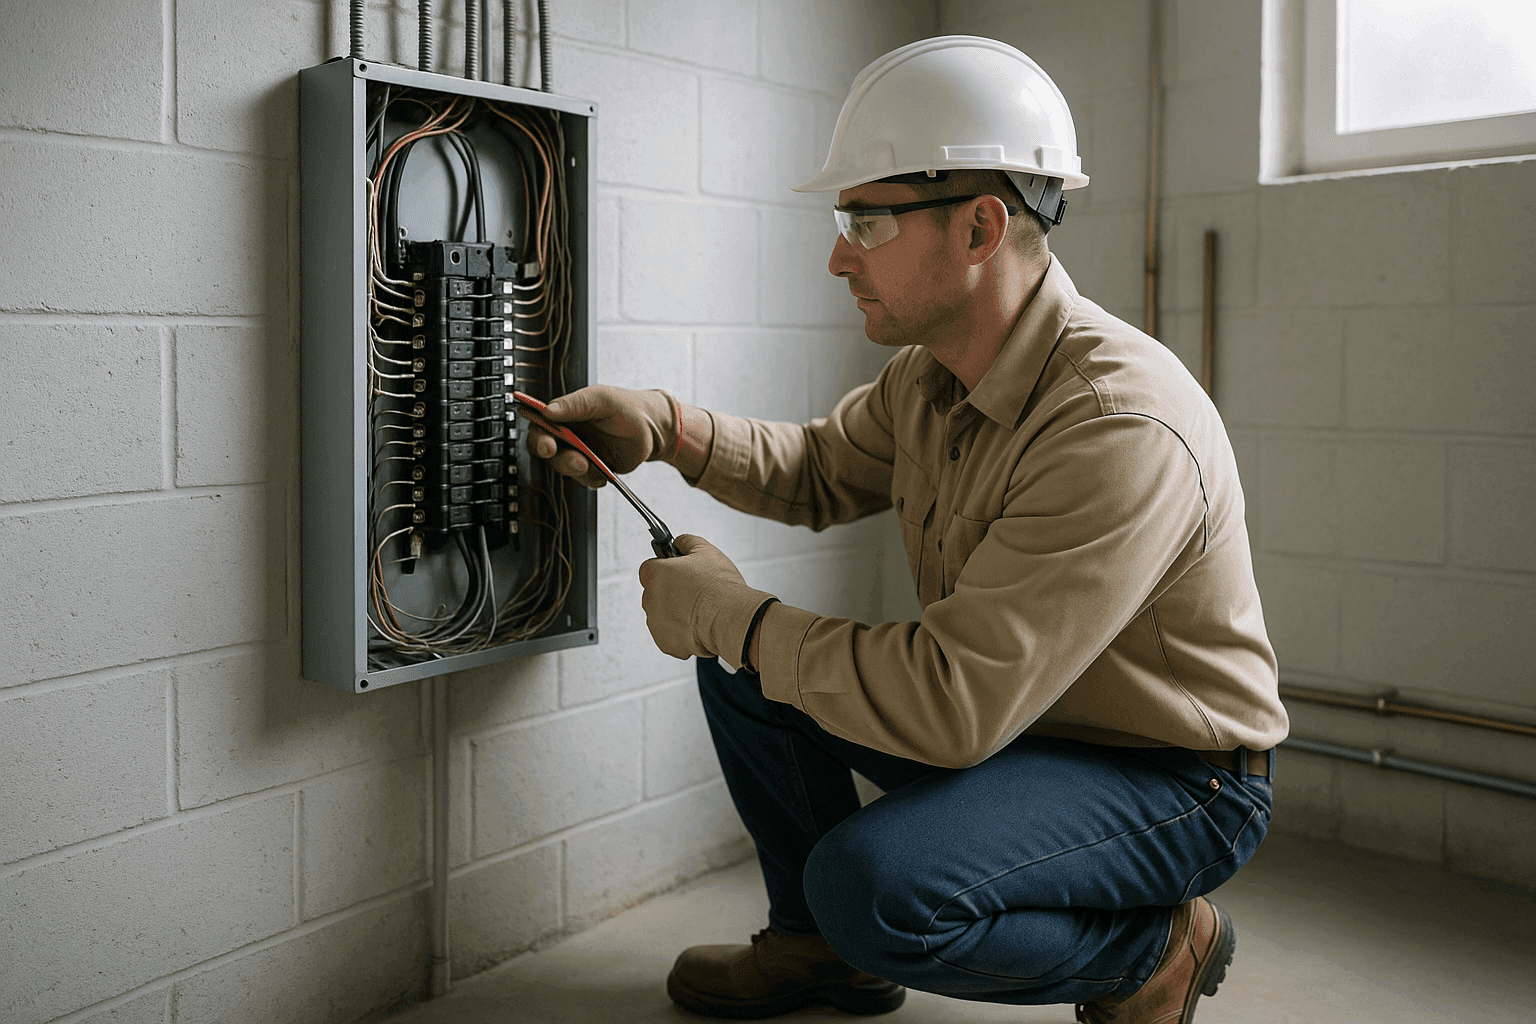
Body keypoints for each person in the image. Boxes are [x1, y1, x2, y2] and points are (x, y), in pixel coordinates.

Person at [527, 35, 1287, 1024]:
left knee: (874, 888)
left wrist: (735, 615)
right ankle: (817, 951)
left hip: (1171, 776)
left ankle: (1151, 949)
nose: (839, 254)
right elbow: (815, 468)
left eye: (867, 220)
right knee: (747, 669)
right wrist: (667, 429)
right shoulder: (931, 375)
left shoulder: (1114, 423)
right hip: (1026, 723)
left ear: (979, 227)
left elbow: (953, 703)